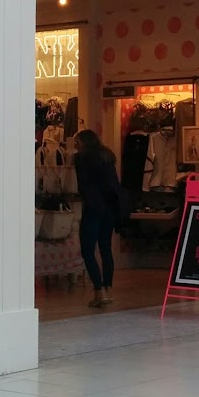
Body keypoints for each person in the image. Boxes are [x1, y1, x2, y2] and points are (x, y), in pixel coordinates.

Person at [73, 129, 121, 309]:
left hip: (93, 208)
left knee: (87, 250)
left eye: (77, 142)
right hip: (109, 208)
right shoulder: (107, 156)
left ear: (84, 143)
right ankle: (108, 289)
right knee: (105, 248)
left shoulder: (82, 158)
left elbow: (83, 185)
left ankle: (98, 291)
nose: (75, 146)